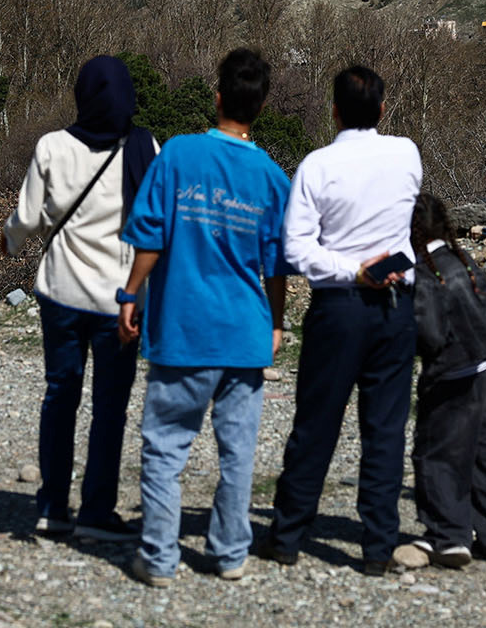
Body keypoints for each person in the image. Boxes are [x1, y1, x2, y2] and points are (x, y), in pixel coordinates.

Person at [116, 48, 291, 587]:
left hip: (182, 330)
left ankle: (160, 559)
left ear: (217, 97)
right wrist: (277, 323)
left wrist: (130, 293)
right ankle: (230, 552)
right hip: (244, 333)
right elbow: (276, 266)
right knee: (238, 451)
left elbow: (151, 235)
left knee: (166, 446)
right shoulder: (270, 176)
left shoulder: (177, 155)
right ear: (260, 106)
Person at [258, 65, 421, 576]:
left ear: (333, 110)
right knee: (385, 429)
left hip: (339, 307)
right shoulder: (406, 154)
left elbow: (298, 248)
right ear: (382, 109)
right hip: (396, 307)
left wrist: (352, 268)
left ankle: (287, 536)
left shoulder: (316, 166)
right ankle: (377, 546)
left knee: (316, 423)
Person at [4, 55, 159, 541]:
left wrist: (8, 240)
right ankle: (96, 510)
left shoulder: (53, 146)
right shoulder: (144, 146)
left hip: (62, 294)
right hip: (120, 301)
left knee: (60, 395)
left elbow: (27, 219)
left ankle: (52, 506)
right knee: (110, 406)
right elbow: (154, 221)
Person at [407, 190, 486, 566]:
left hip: (448, 375)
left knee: (437, 454)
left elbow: (428, 332)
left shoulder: (424, 271)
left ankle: (450, 535)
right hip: (482, 370)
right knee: (485, 454)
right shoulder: (465, 261)